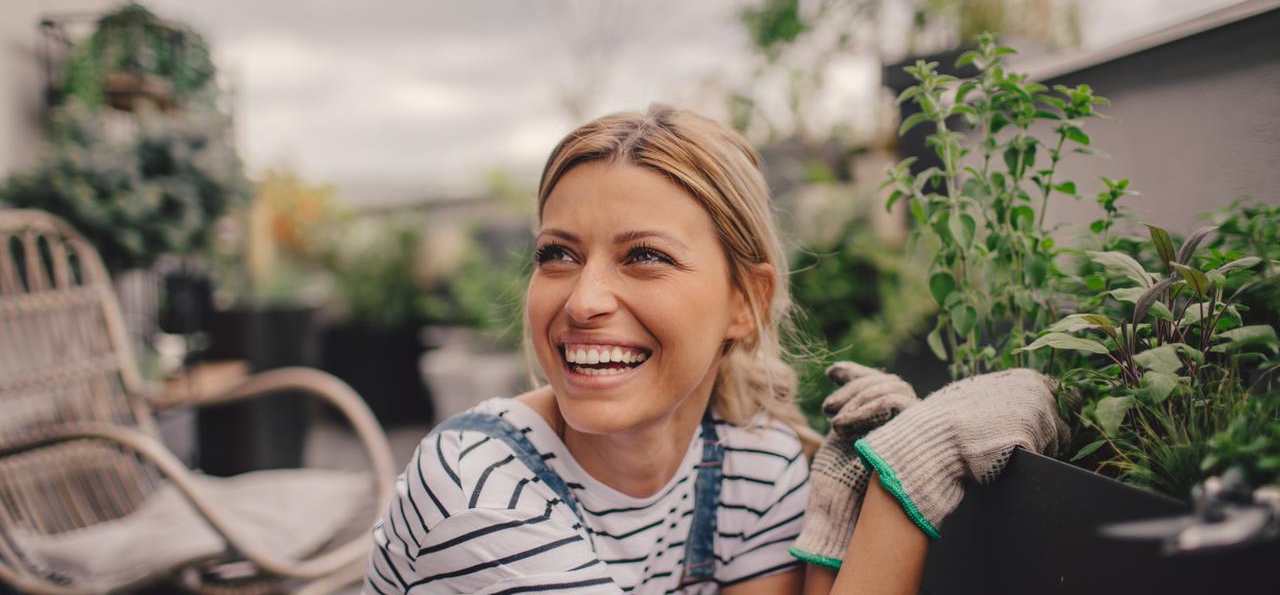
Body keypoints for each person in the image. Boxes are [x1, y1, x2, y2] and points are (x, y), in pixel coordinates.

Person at [363, 104, 1069, 595]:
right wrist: (910, 480)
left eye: (643, 255)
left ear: (746, 302)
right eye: (558, 255)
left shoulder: (746, 464)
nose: (582, 301)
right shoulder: (481, 490)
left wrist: (844, 497)